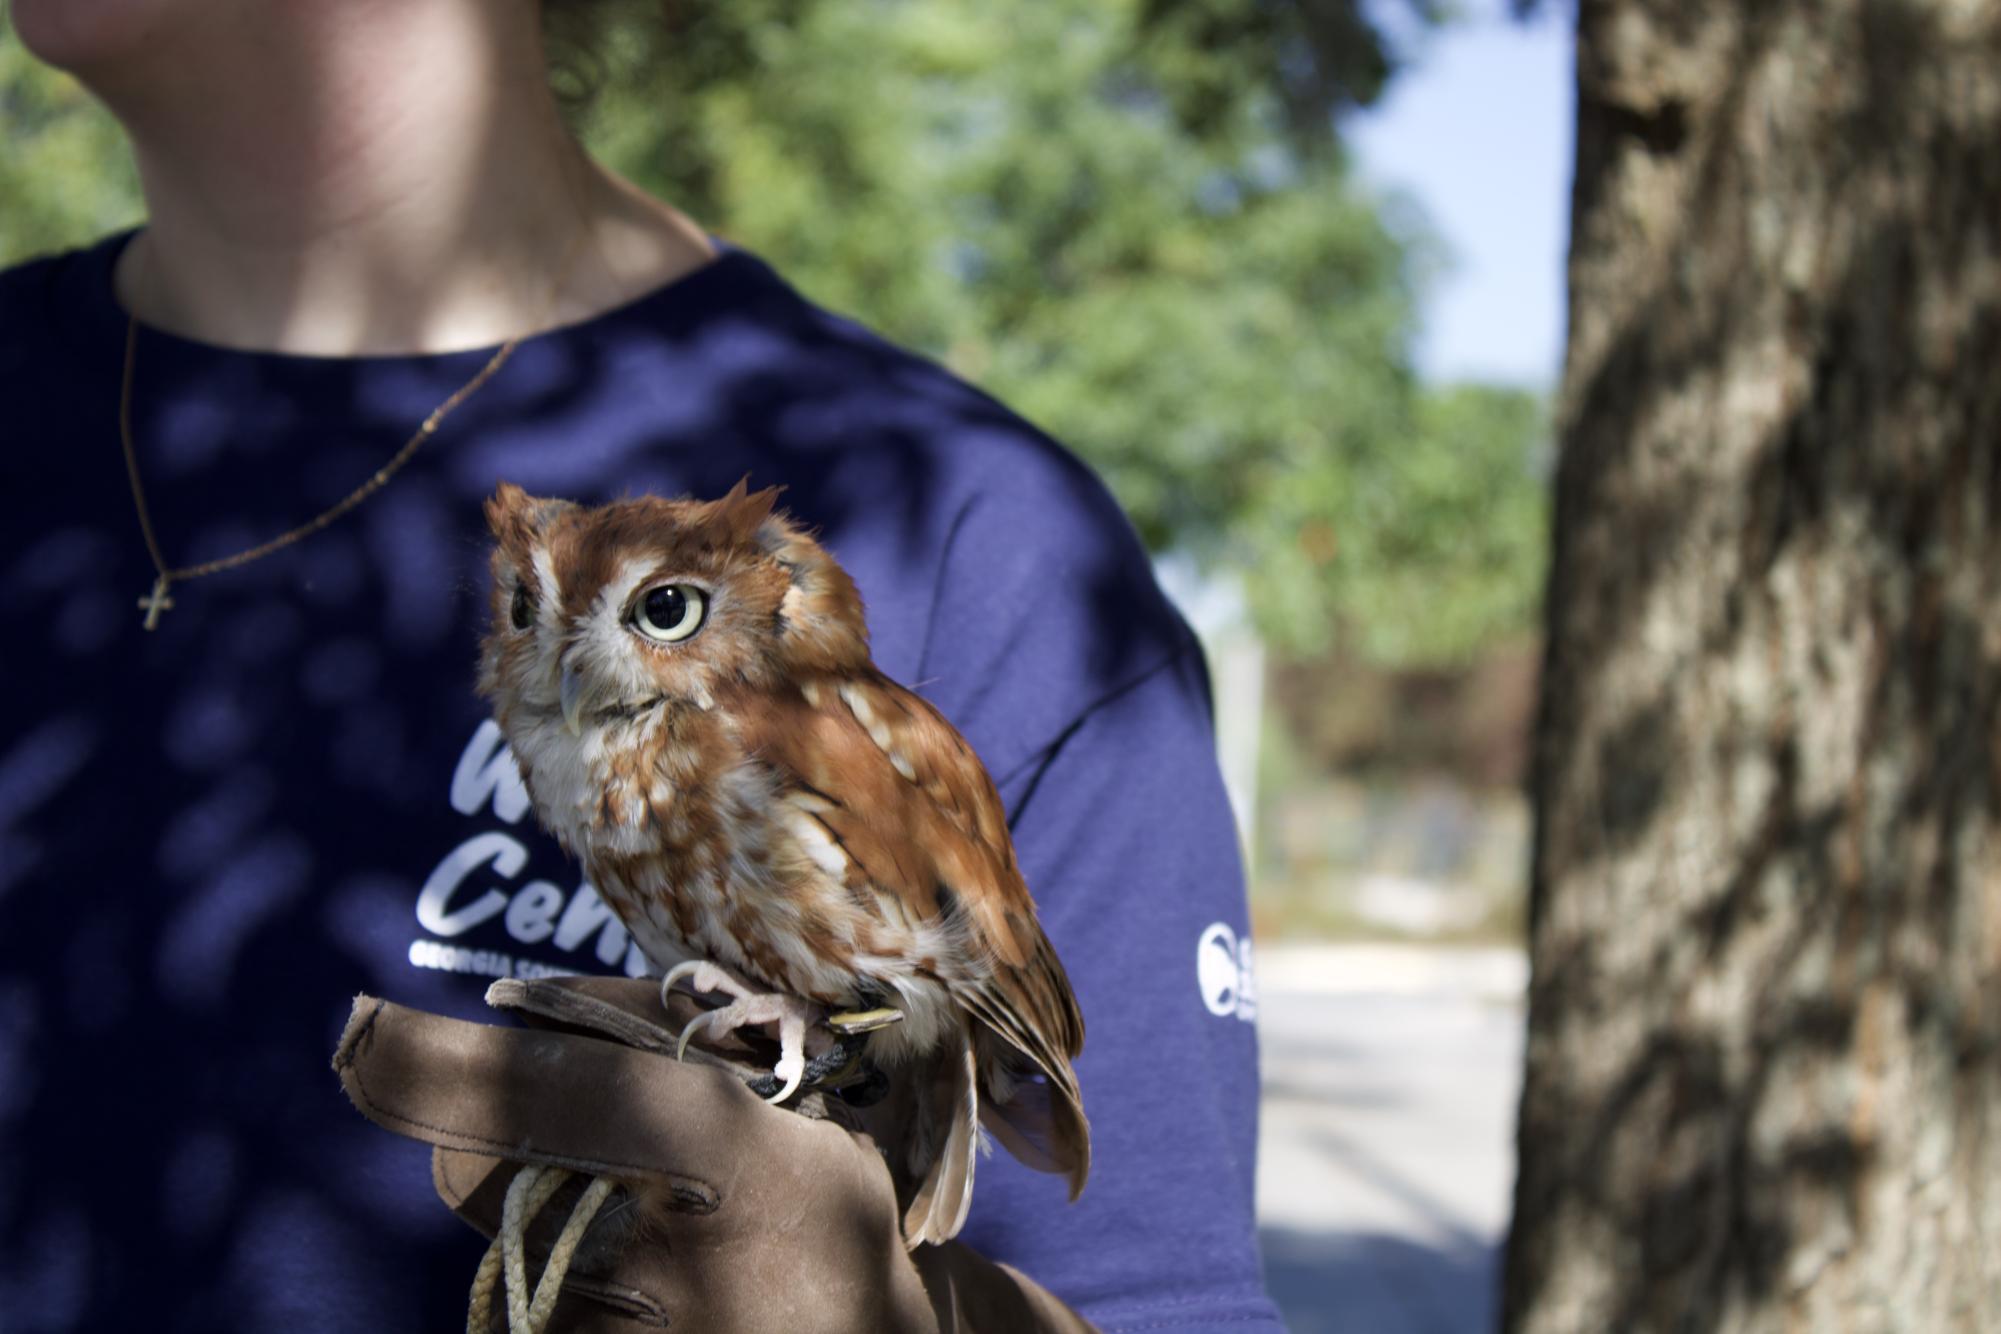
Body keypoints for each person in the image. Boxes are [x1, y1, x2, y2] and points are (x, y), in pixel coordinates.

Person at [0, 2, 1282, 1330]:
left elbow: (1141, 1276)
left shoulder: (988, 547)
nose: (576, 671)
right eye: (522, 618)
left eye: (659, 613)